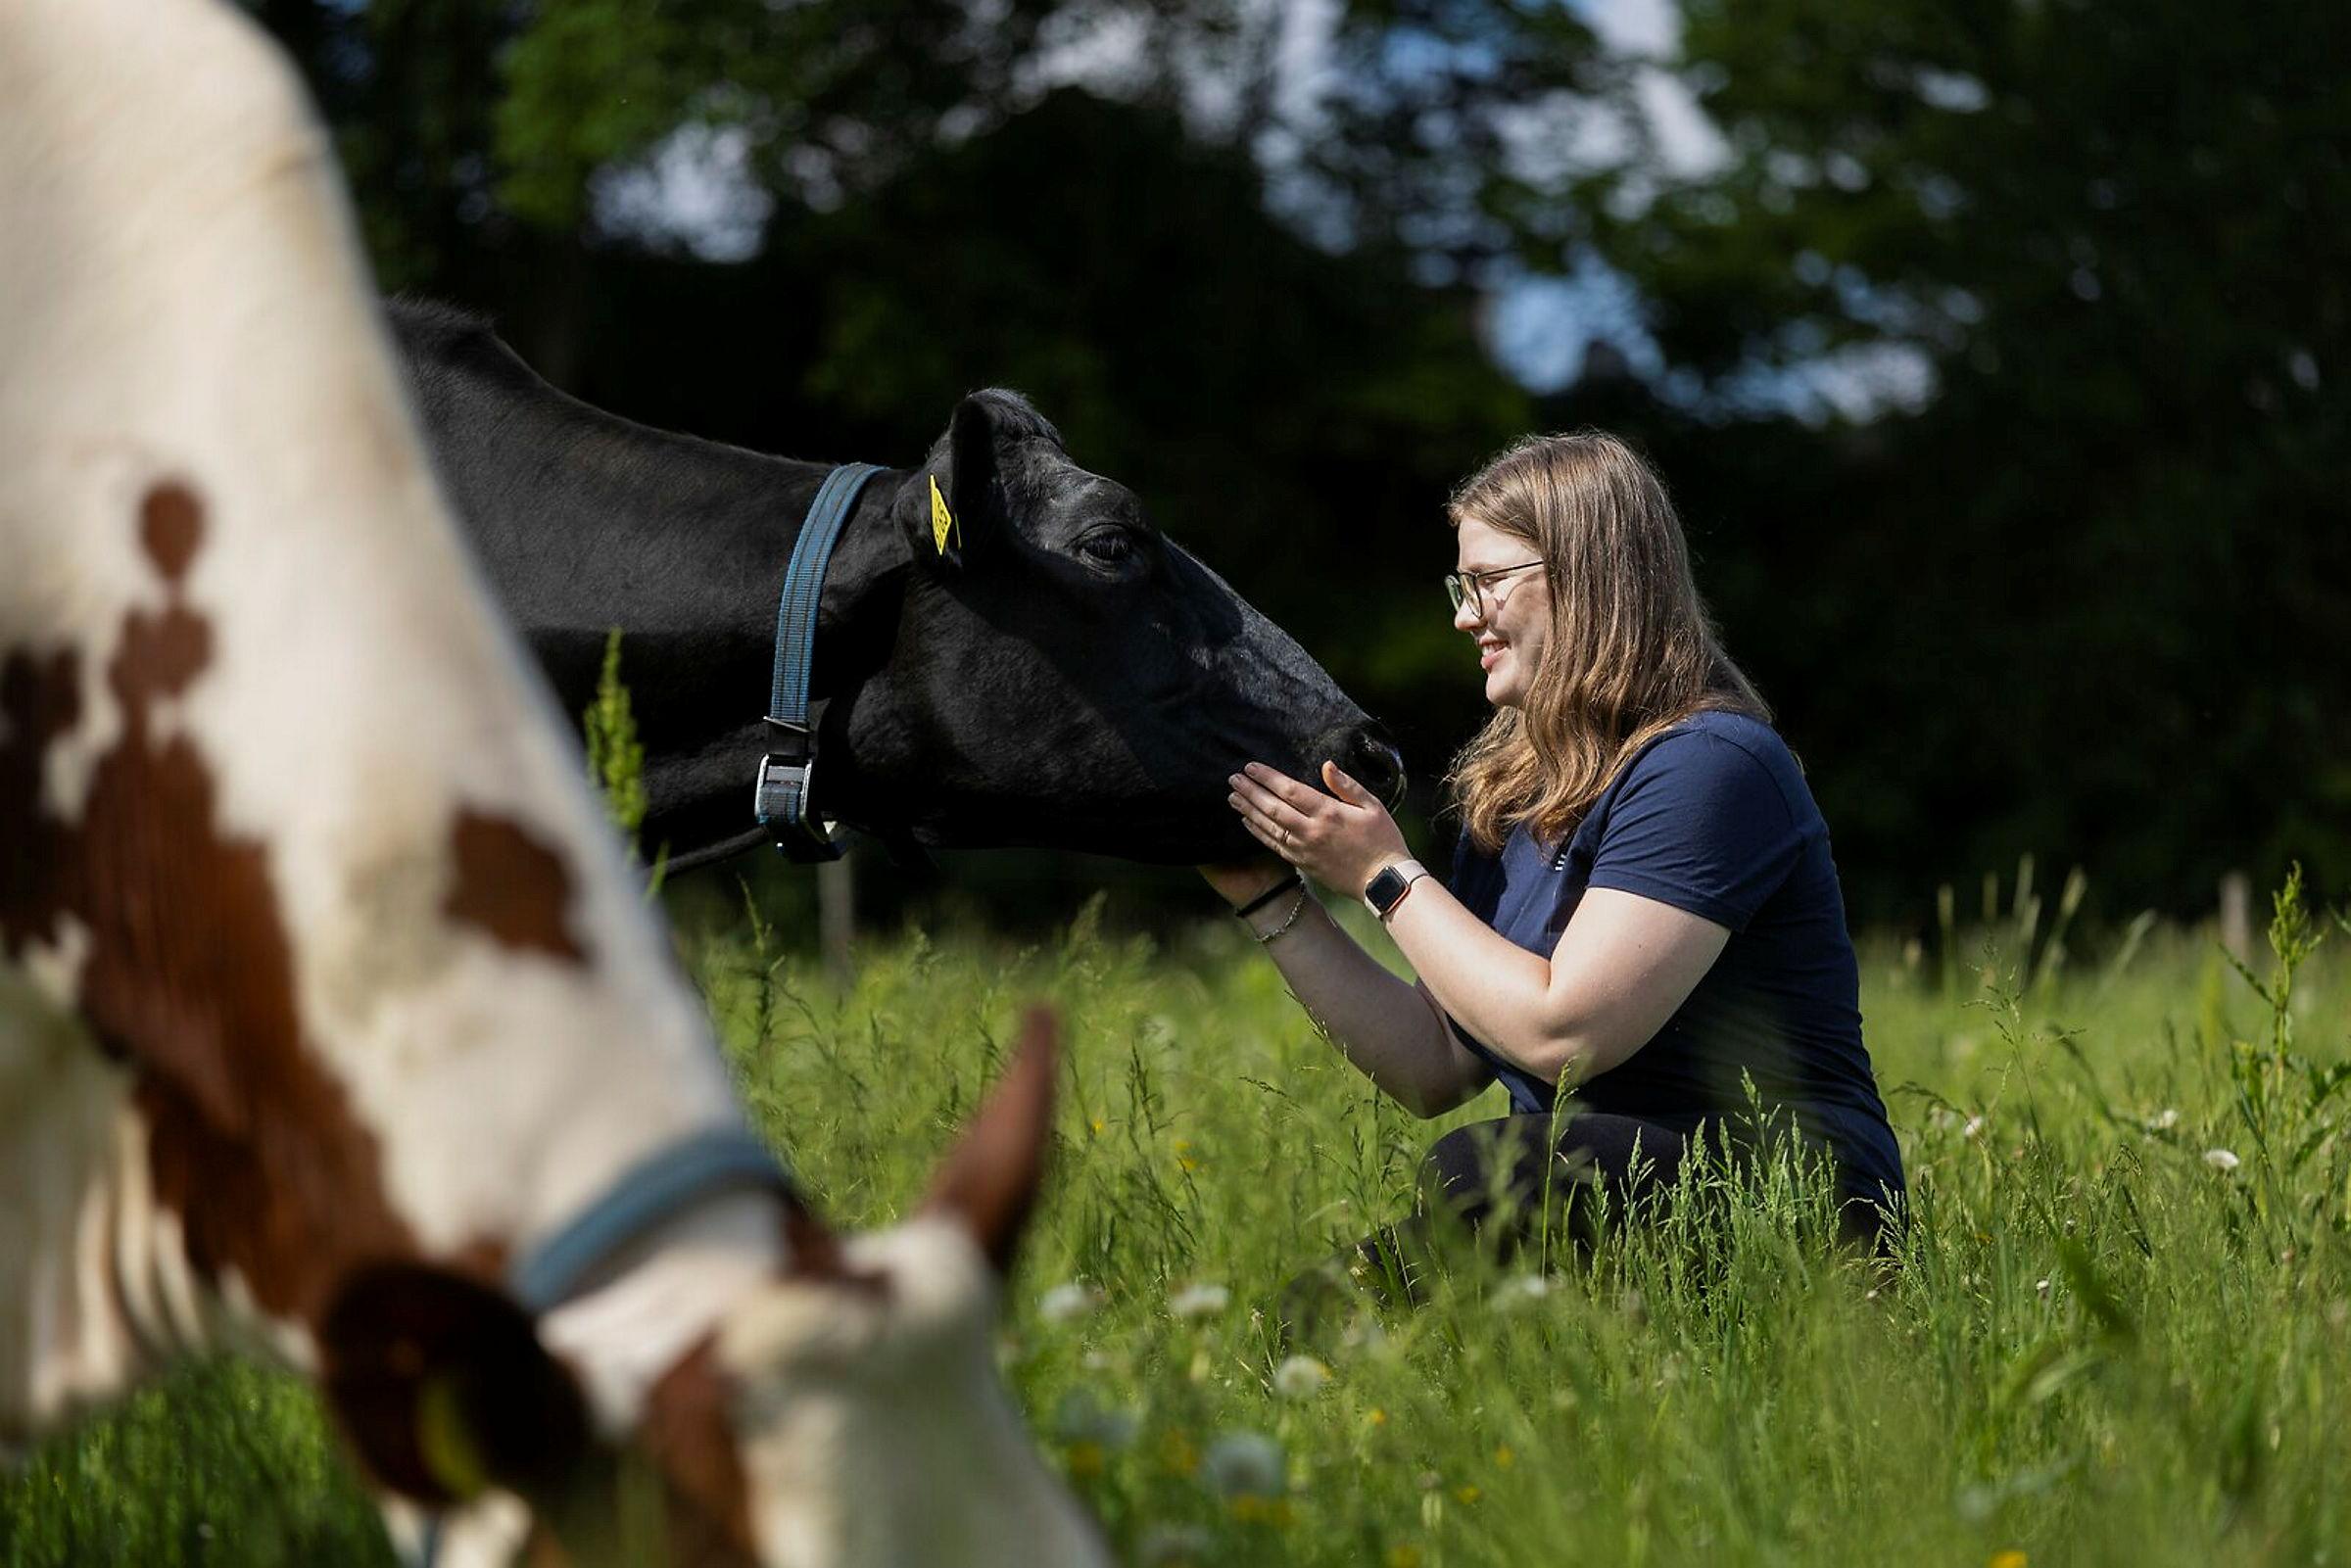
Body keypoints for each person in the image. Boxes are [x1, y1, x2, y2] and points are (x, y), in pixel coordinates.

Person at [1201, 432, 1904, 1297]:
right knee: (1317, 1310)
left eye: (1488, 581)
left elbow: (1566, 1036)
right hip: (1593, 1190)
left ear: (1587, 572)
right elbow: (1432, 1064)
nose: (1464, 615)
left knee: (1487, 1170)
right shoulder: (1512, 797)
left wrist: (1385, 874)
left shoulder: (1711, 763)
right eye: (1462, 586)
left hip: (1786, 1204)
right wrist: (1269, 894)